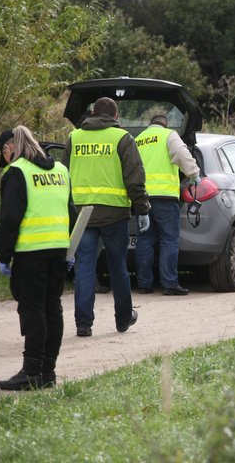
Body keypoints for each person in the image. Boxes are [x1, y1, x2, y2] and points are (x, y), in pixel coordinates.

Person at [63, 97, 150, 338]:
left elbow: (64, 173)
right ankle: (123, 319)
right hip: (114, 214)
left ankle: (83, 324)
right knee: (117, 266)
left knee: (84, 267)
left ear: (91, 113)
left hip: (83, 214)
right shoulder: (122, 138)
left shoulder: (74, 138)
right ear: (115, 116)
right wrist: (143, 209)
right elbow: (135, 179)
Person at [0, 126, 75, 391]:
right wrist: (70, 250)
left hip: (30, 253)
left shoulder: (18, 172)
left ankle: (30, 372)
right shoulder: (61, 171)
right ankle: (47, 371)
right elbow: (71, 213)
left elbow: (9, 219)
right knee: (53, 308)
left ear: (10, 149)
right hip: (58, 251)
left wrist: (4, 255)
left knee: (32, 310)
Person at [134, 115, 201, 296]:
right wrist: (194, 173)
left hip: (142, 198)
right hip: (164, 197)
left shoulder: (138, 140)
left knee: (145, 240)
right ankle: (169, 283)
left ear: (150, 124)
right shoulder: (168, 135)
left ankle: (144, 284)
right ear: (165, 124)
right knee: (169, 240)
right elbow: (182, 155)